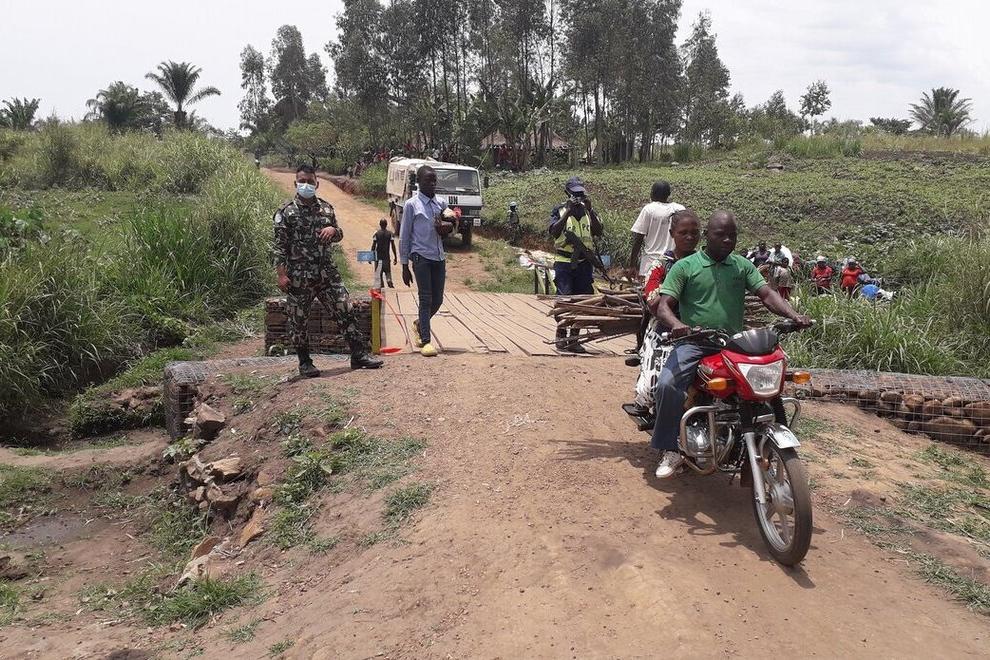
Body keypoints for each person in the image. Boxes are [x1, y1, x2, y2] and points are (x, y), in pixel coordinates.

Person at [650, 211, 811, 478]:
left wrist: (794, 315)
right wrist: (678, 325)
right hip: (696, 342)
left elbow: (767, 294)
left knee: (762, 385)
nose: (727, 240)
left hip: (732, 343)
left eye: (732, 236)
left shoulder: (742, 266)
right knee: (667, 385)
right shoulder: (685, 266)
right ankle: (670, 448)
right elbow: (664, 306)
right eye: (720, 235)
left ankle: (756, 441)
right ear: (707, 236)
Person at [273, 165, 383, 376]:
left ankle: (358, 355)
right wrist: (281, 274)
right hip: (299, 277)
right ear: (296, 183)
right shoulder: (286, 212)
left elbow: (339, 234)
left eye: (310, 181)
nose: (306, 185)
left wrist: (333, 230)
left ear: (317, 184)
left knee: (345, 308)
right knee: (299, 320)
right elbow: (279, 247)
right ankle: (305, 363)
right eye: (302, 181)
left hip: (327, 274)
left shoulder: (326, 209)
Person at [626, 209, 701, 416]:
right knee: (653, 387)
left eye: (694, 233)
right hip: (665, 329)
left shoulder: (706, 264)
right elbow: (654, 304)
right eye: (683, 232)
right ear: (672, 234)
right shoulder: (660, 266)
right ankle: (645, 402)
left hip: (700, 329)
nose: (689, 237)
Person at [548, 176, 604, 352]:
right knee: (565, 298)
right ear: (568, 193)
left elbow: (598, 231)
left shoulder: (589, 212)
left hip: (584, 263)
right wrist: (567, 213)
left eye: (581, 194)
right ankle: (561, 334)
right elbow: (554, 231)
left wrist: (591, 210)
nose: (578, 197)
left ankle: (574, 338)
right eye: (575, 194)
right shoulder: (559, 210)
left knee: (583, 300)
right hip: (564, 262)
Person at [400, 165, 449, 357]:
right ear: (419, 182)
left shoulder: (441, 204)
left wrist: (449, 227)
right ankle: (426, 340)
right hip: (420, 257)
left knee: (438, 299)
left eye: (434, 180)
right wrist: (404, 265)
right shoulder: (412, 205)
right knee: (425, 298)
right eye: (428, 180)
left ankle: (420, 323)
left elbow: (450, 224)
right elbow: (405, 235)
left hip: (439, 256)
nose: (432, 183)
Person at [628, 181, 685, 277]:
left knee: (650, 287)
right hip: (673, 265)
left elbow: (638, 239)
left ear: (653, 193)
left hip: (650, 264)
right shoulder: (680, 209)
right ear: (669, 194)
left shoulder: (649, 209)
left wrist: (632, 265)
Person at [370, 219, 397, 289]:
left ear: (380, 225)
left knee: (379, 275)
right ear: (386, 225)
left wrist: (370, 257)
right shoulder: (390, 234)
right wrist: (395, 257)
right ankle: (389, 281)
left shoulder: (376, 234)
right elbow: (393, 246)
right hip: (386, 258)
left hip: (378, 258)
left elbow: (373, 246)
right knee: (388, 272)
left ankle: (382, 288)